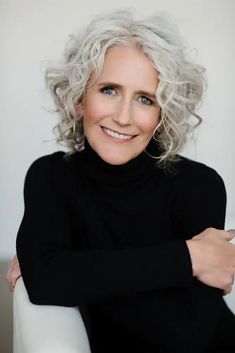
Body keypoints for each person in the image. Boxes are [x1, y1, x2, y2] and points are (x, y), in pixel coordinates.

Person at [6, 9, 235, 353]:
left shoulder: (198, 185)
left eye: (145, 99)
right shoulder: (51, 177)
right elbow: (44, 283)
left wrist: (72, 268)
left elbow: (186, 333)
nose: (124, 116)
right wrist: (189, 257)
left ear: (162, 114)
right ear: (80, 98)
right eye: (109, 90)